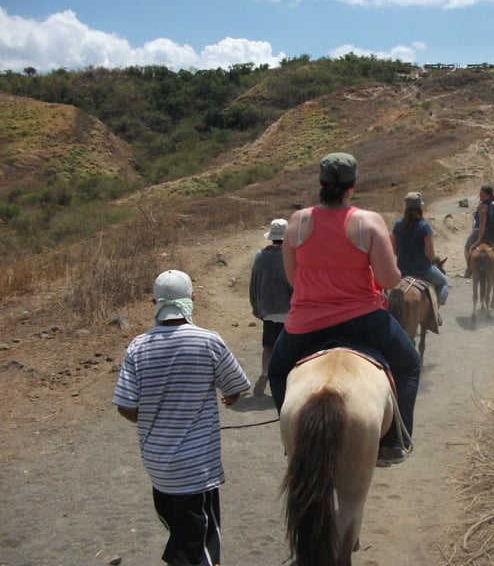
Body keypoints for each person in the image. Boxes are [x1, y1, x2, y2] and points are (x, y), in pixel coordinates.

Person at [267, 152, 421, 467]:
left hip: (305, 324)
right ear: (353, 185)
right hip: (364, 320)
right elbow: (388, 280)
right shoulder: (368, 221)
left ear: (321, 183)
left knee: (277, 371)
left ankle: (292, 439)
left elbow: (293, 279)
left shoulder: (299, 221)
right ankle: (395, 441)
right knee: (409, 365)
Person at [112, 269, 251, 566]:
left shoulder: (138, 347)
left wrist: (154, 420)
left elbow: (124, 406)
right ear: (192, 300)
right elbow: (235, 387)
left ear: (153, 303)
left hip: (159, 469)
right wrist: (230, 398)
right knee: (199, 547)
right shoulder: (209, 341)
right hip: (196, 469)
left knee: (181, 532)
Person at [249, 218, 293, 398]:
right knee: (290, 347)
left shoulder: (260, 255)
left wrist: (257, 308)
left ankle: (265, 373)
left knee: (268, 346)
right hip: (290, 311)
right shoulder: (292, 256)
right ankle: (287, 379)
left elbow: (254, 284)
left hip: (268, 310)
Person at [391, 191, 449, 324]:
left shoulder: (397, 225)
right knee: (443, 283)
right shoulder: (424, 226)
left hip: (402, 269)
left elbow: (394, 251)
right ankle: (435, 313)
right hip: (422, 269)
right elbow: (431, 255)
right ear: (420, 207)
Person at [463, 185, 494, 283]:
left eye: (482, 194)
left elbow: (482, 225)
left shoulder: (483, 207)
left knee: (467, 248)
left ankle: (469, 269)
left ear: (488, 195)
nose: (480, 196)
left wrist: (478, 241)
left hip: (480, 233)